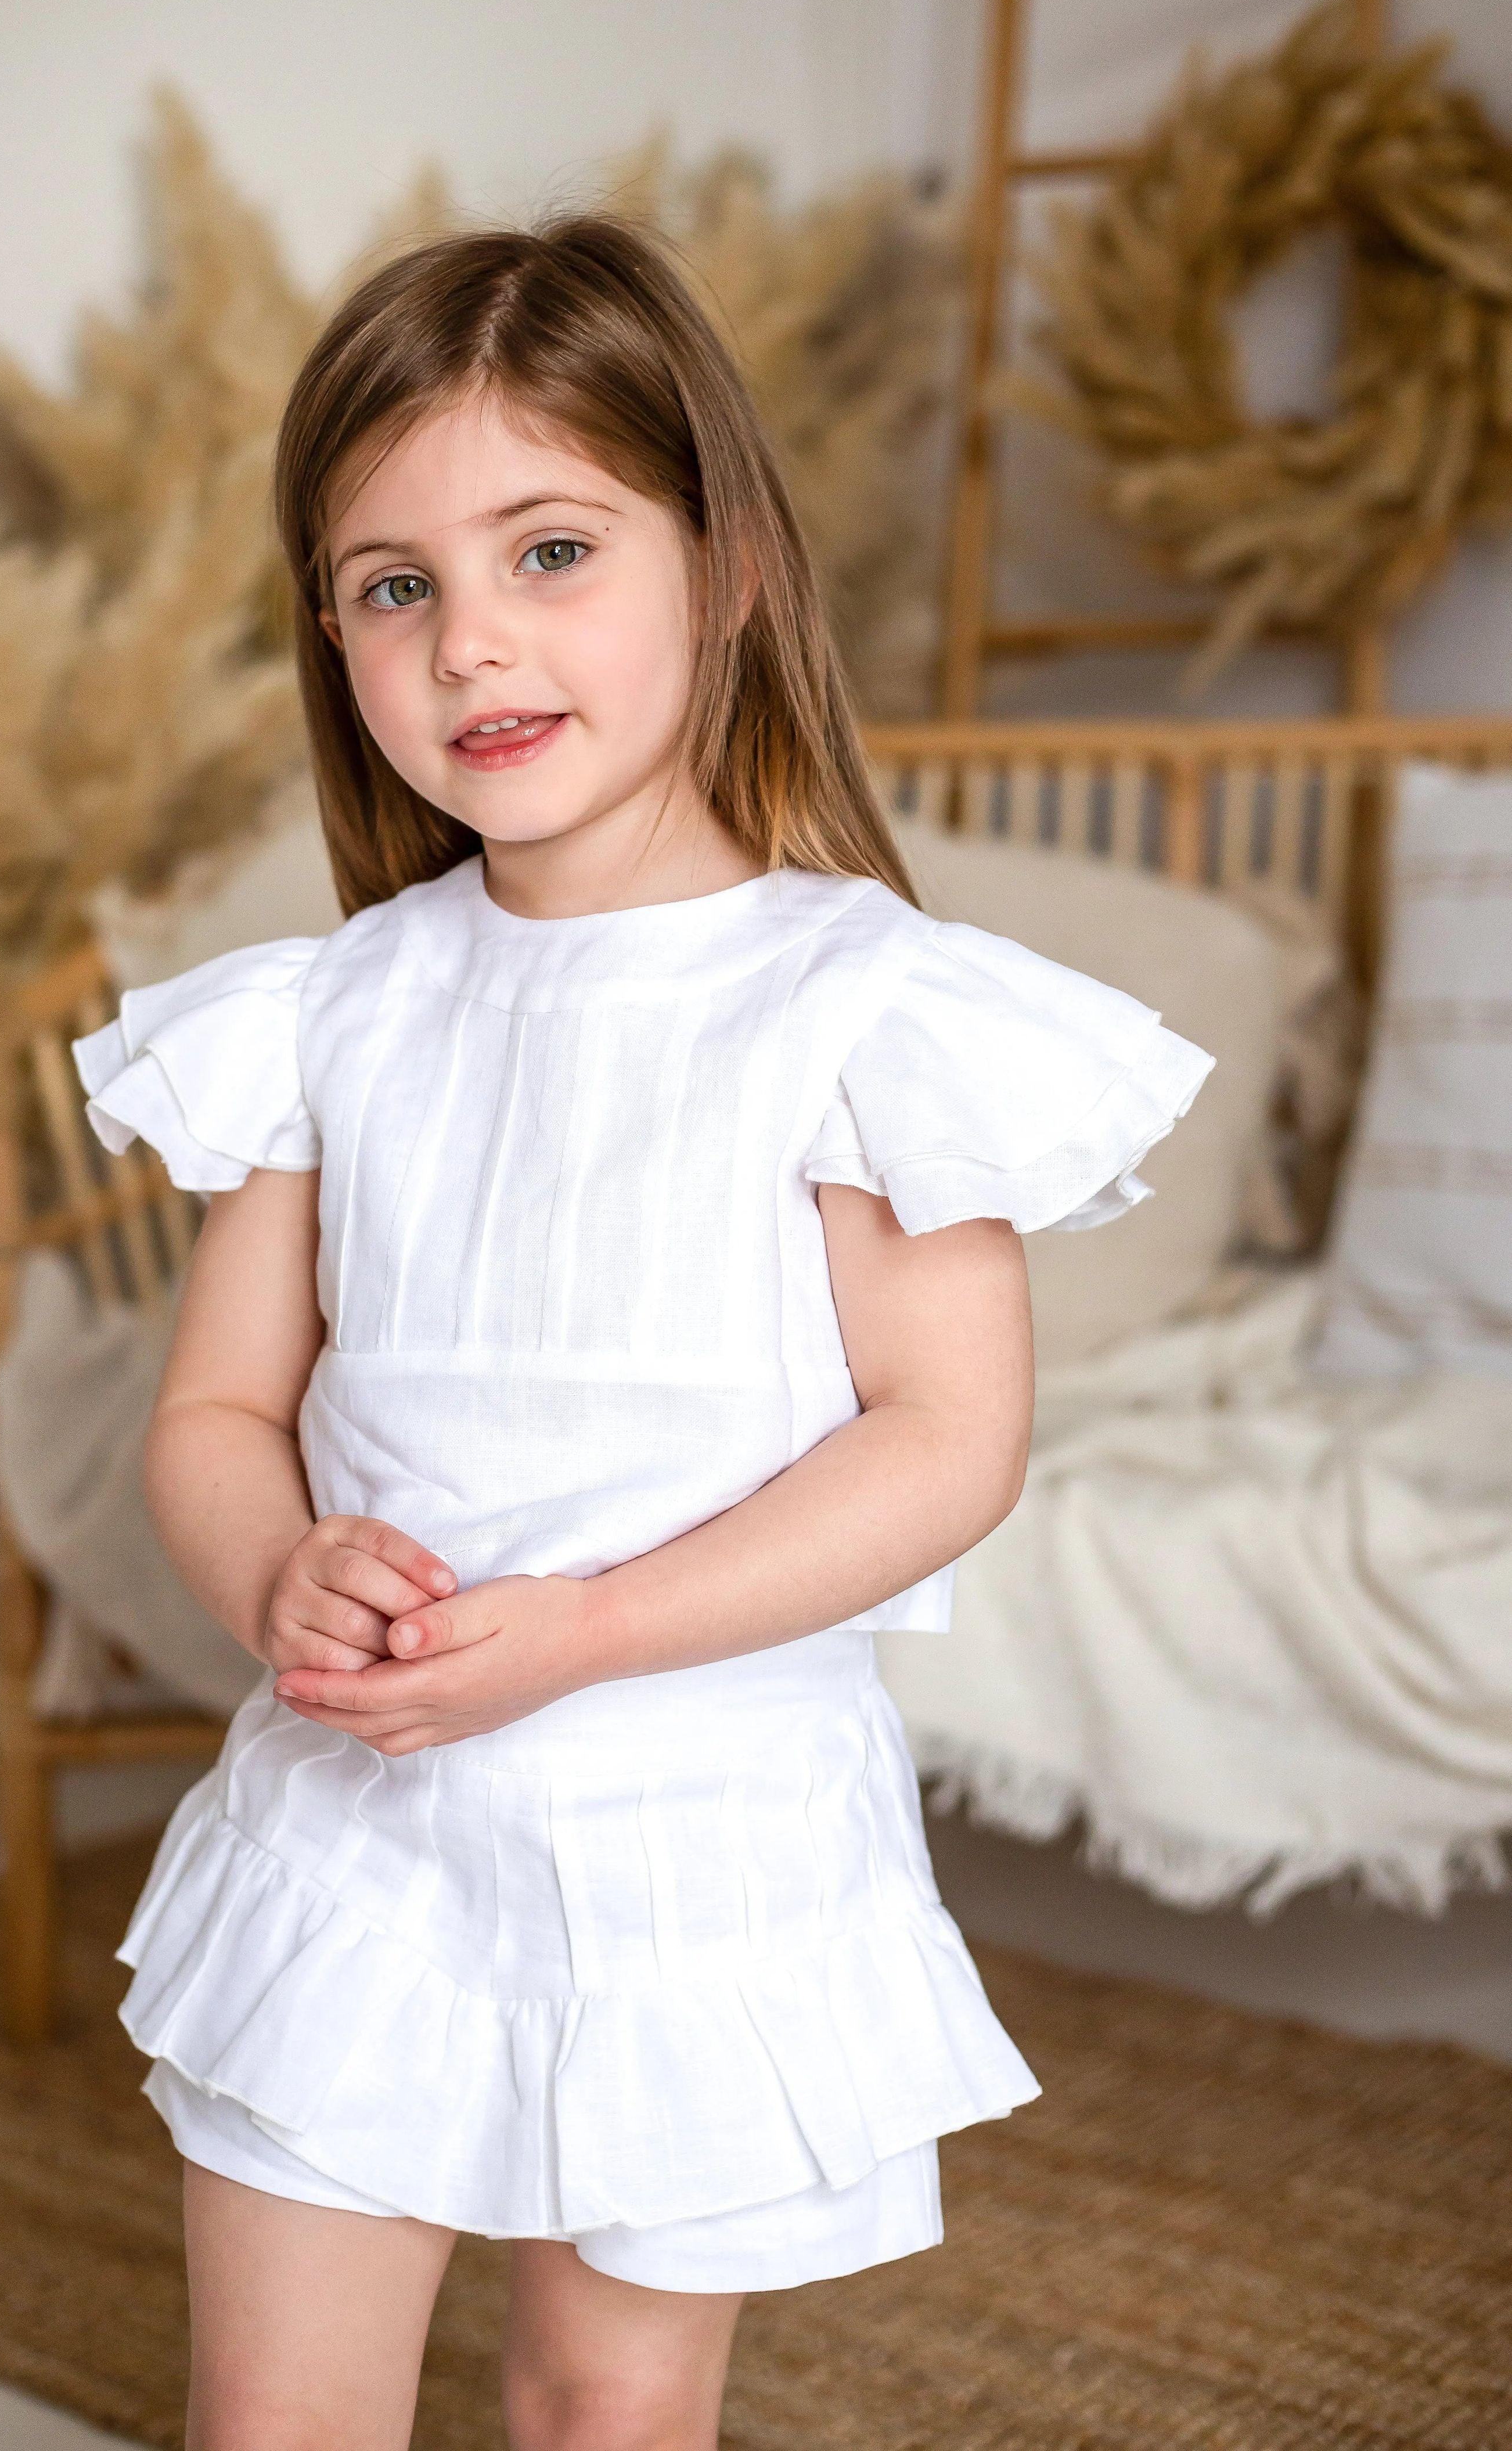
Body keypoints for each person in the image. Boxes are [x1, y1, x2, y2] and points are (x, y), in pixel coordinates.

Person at [74, 214, 1212, 2451]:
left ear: (730, 563)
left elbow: (941, 1439)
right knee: (273, 2413)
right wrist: (274, 1566)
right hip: (363, 1837)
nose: (470, 637)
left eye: (553, 548)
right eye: (395, 585)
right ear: (337, 634)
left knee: (608, 2401)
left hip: (701, 1836)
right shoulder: (343, 1010)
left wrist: (591, 1630)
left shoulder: (864, 1005)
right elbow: (217, 1407)